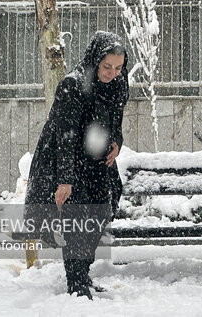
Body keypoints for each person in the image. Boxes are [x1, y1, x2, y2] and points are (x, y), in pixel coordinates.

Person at [24, 31, 128, 300]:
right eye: (107, 67)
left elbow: (116, 120)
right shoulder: (73, 84)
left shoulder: (118, 82)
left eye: (118, 67)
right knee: (77, 221)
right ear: (96, 59)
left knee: (99, 215)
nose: (112, 73)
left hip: (98, 160)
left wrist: (117, 142)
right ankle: (76, 282)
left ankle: (84, 273)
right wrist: (65, 180)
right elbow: (65, 136)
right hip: (68, 159)